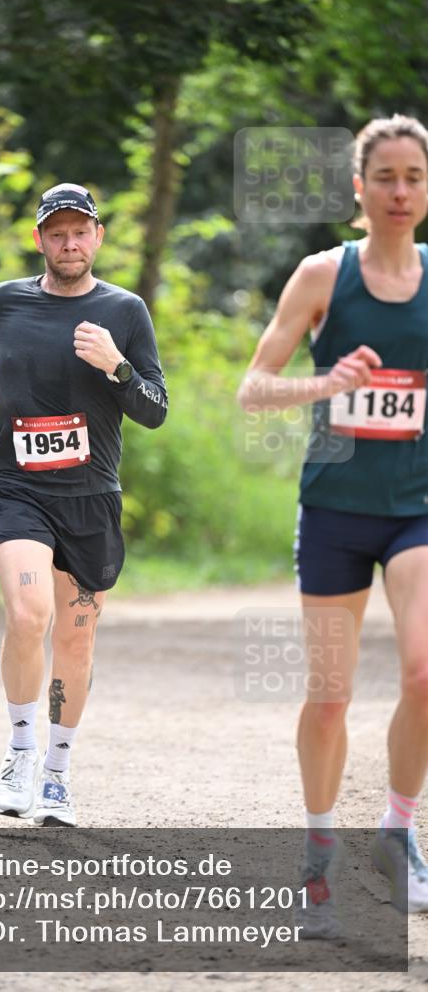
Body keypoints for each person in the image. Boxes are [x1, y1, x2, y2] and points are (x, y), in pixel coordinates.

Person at [238, 115, 428, 933]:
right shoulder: (322, 275)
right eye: (384, 176)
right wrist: (325, 386)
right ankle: (318, 858)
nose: (398, 191)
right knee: (328, 698)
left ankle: (396, 831)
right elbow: (253, 387)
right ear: (358, 187)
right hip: (334, 512)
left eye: (413, 177)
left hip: (416, 508)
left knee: (424, 673)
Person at [0, 183, 168, 826]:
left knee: (76, 640)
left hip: (92, 497)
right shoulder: (7, 301)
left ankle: (56, 773)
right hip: (18, 489)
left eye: (80, 232)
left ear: (97, 238)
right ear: (39, 238)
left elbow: (154, 410)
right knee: (28, 616)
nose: (69, 243)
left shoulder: (124, 312)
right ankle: (19, 753)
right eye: (57, 232)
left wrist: (116, 366)